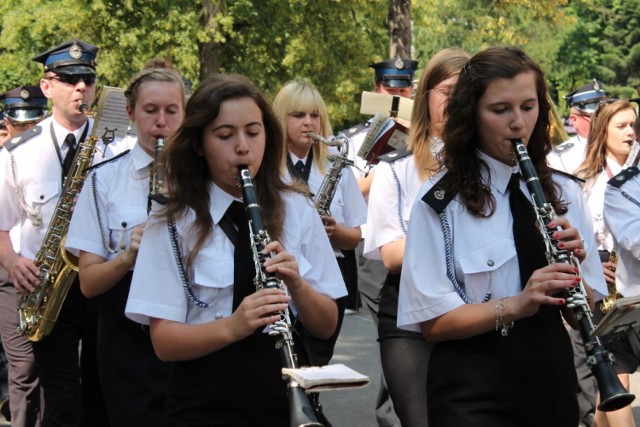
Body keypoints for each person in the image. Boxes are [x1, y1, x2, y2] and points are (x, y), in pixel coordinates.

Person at [397, 46, 608, 426]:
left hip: (550, 384)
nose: (518, 123)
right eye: (500, 110)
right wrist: (517, 304)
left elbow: (585, 313)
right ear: (472, 115)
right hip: (471, 391)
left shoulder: (565, 193)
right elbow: (431, 324)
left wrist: (577, 272)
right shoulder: (441, 204)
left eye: (528, 107)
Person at [124, 73, 346, 426]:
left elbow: (325, 325)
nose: (242, 147)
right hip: (203, 403)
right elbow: (164, 342)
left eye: (253, 133)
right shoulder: (170, 221)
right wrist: (236, 325)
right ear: (199, 144)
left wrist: (299, 286)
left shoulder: (297, 208)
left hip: (281, 398)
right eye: (225, 135)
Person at [65, 67, 186, 425]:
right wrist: (127, 256)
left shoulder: (207, 177)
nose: (160, 122)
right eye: (150, 111)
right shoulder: (104, 179)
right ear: (131, 113)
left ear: (185, 113)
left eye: (171, 111)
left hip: (192, 322)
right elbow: (88, 283)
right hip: (126, 328)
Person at [0, 38, 110, 426]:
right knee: (59, 398)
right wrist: (13, 262)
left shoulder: (120, 145)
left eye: (87, 79)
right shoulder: (18, 152)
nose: (80, 87)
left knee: (103, 393)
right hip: (47, 286)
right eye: (68, 78)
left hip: (105, 283)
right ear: (46, 86)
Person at [364, 48, 469, 427]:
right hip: (411, 316)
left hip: (479, 305)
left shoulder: (497, 169)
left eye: (467, 91)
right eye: (448, 90)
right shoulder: (397, 169)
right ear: (425, 96)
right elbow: (392, 254)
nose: (457, 101)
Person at [341, 56, 418, 427]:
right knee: (394, 334)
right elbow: (350, 196)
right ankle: (393, 415)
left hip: (419, 243)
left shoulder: (425, 130)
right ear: (377, 89)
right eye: (390, 88)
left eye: (403, 88)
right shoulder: (358, 138)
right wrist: (390, 162)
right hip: (375, 248)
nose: (397, 94)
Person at [273, 80, 367, 359]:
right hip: (284, 277)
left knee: (317, 363)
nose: (308, 123)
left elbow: (356, 235)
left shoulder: (335, 163)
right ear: (281, 118)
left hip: (329, 280)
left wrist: (335, 231)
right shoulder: (268, 167)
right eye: (298, 115)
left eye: (315, 115)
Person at [0, 84, 49, 427]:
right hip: (11, 272)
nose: (27, 132)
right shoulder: (9, 156)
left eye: (34, 124)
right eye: (20, 127)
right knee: (24, 366)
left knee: (54, 367)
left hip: (51, 272)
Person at [593, 100, 638, 427]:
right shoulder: (589, 179)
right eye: (621, 126)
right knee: (615, 377)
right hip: (608, 281)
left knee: (610, 388)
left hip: (627, 276)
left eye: (632, 125)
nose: (629, 133)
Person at [548, 79, 607, 173]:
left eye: (605, 115)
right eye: (595, 116)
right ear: (574, 120)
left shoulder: (619, 146)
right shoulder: (561, 157)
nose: (602, 120)